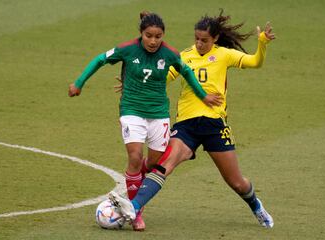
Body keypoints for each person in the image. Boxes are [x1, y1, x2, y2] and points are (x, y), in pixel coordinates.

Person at [109, 10, 276, 229]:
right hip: (186, 125)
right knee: (164, 166)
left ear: (214, 38)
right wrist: (135, 80)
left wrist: (262, 43)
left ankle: (255, 206)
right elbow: (162, 76)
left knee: (237, 182)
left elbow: (255, 62)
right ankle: (135, 206)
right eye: (196, 39)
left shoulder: (225, 55)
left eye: (204, 40)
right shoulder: (185, 55)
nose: (199, 44)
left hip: (215, 125)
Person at [68, 12, 222, 231]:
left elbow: (186, 72)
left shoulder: (170, 54)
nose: (153, 41)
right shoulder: (128, 48)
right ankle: (136, 213)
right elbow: (100, 60)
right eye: (148, 36)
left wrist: (203, 96)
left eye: (158, 36)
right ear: (141, 34)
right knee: (135, 155)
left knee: (152, 164)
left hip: (159, 113)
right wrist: (79, 83)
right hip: (132, 110)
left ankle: (134, 176)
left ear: (163, 36)